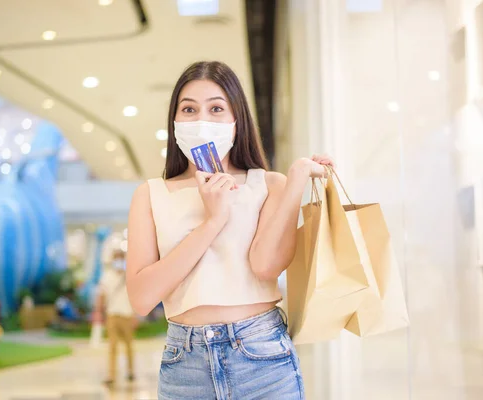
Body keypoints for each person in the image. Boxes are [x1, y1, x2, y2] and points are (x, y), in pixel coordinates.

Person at [126, 61, 334, 400]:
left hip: (262, 357)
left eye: (216, 108)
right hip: (185, 365)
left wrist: (297, 177)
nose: (202, 120)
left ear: (237, 120)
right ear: (174, 122)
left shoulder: (268, 184)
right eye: (189, 109)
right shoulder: (151, 194)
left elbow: (266, 266)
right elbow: (141, 297)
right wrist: (213, 222)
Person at [95, 249, 136, 387]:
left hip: (127, 315)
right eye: (116, 258)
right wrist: (98, 313)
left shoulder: (129, 276)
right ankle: (111, 375)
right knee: (112, 346)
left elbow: (134, 297)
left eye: (121, 258)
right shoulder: (107, 276)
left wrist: (136, 315)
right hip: (112, 315)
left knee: (129, 345)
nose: (118, 261)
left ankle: (130, 371)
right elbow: (101, 295)